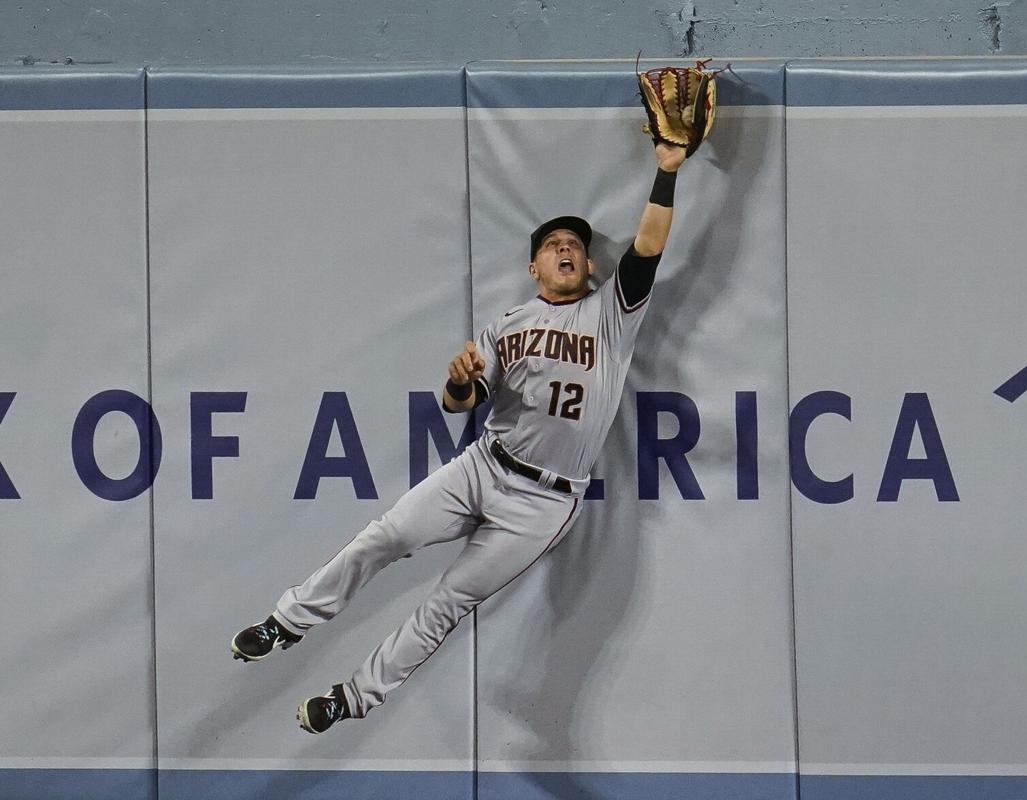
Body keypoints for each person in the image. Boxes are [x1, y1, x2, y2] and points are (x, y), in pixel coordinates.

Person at [232, 141, 690, 734]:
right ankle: (287, 622)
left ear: (591, 266)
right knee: (386, 535)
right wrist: (457, 383)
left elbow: (650, 245)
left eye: (574, 244)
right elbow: (462, 404)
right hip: (483, 465)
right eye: (553, 245)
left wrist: (667, 171)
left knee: (446, 604)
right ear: (535, 269)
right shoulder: (506, 326)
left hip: (545, 502)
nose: (565, 249)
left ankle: (353, 697)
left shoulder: (611, 313)